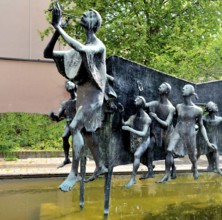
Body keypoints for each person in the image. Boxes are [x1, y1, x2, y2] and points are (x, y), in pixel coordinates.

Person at [44, 1, 113, 191]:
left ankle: (74, 173)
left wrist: (59, 27)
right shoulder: (79, 49)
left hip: (94, 98)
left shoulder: (98, 45)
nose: (84, 15)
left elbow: (83, 51)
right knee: (87, 133)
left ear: (94, 24)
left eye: (89, 14)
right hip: (83, 96)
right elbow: (47, 53)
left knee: (75, 127)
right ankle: (100, 165)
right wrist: (57, 31)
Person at [157, 84, 216, 183]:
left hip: (190, 134)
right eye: (183, 87)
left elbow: (201, 126)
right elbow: (171, 116)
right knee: (169, 150)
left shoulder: (198, 110)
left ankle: (195, 167)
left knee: (192, 156)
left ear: (192, 93)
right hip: (178, 131)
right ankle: (167, 174)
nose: (183, 89)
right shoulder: (178, 106)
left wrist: (208, 142)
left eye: (186, 88)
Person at [140, 82, 176, 179]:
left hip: (168, 131)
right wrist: (140, 92)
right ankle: (150, 171)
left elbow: (166, 124)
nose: (160, 86)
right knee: (150, 146)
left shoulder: (171, 108)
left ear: (167, 91)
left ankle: (171, 170)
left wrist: (155, 117)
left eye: (163, 86)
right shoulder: (156, 103)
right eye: (160, 85)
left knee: (168, 152)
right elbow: (144, 105)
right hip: (157, 131)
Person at [122, 96, 152, 188]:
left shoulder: (147, 119)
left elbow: (143, 133)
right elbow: (124, 123)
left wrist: (129, 129)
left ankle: (133, 179)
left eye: (138, 99)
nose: (135, 100)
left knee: (137, 155)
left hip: (144, 140)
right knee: (138, 157)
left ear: (143, 103)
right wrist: (120, 112)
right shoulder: (133, 117)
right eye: (135, 99)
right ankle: (150, 167)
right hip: (135, 140)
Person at [50, 81, 77, 168]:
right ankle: (67, 158)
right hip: (69, 124)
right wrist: (53, 116)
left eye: (70, 85)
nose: (69, 87)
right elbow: (59, 117)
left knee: (76, 141)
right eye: (67, 86)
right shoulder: (66, 103)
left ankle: (79, 157)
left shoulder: (80, 100)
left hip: (78, 124)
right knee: (65, 137)